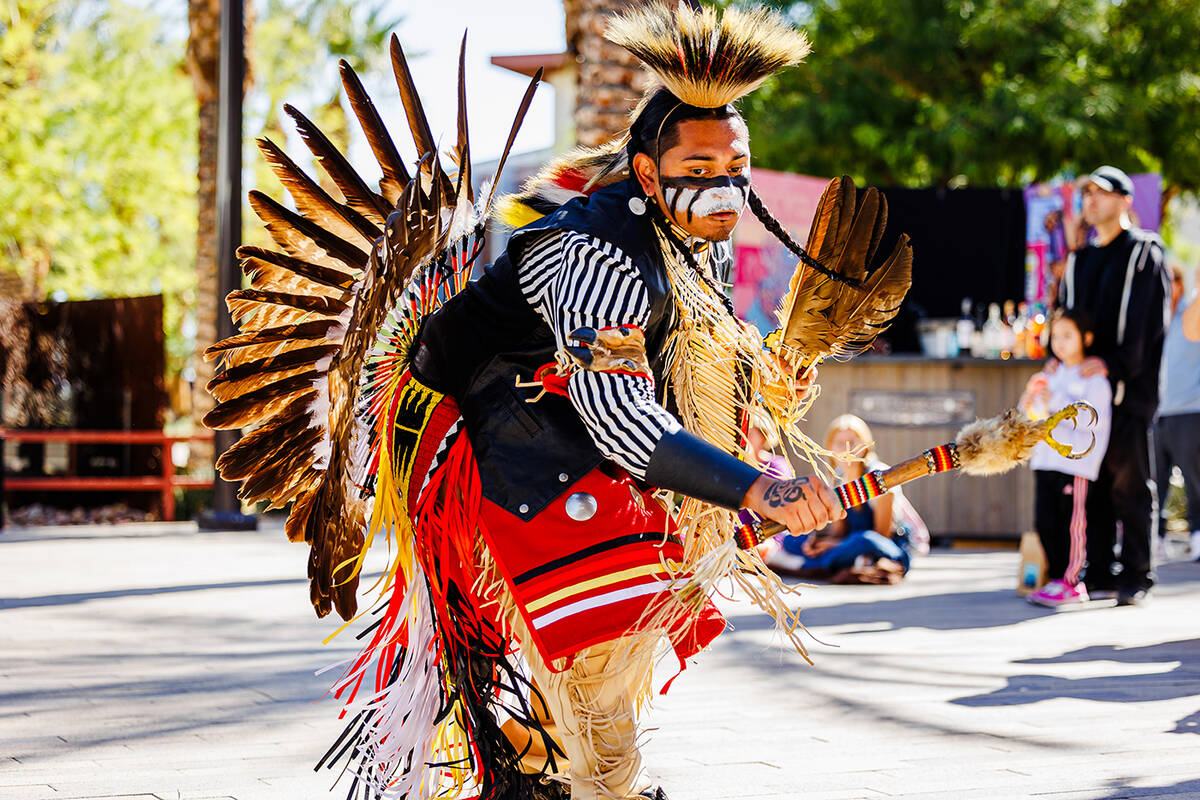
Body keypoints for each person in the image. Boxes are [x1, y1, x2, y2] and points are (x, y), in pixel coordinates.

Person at [202, 6, 885, 800]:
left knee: (639, 593)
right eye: (698, 166)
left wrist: (765, 384)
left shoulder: (694, 242)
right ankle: (593, 774)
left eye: (736, 162)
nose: (723, 183)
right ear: (648, 172)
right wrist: (760, 486)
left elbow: (688, 360)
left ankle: (543, 757)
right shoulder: (598, 249)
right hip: (482, 434)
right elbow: (621, 416)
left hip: (557, 421)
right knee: (606, 619)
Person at [1056, 165, 1171, 606]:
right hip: (1085, 395)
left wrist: (1115, 365)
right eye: (1087, 193)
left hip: (1128, 389)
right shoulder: (1081, 259)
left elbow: (1146, 323)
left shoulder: (1144, 253)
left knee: (1130, 482)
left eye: (1102, 193)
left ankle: (1137, 575)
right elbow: (1067, 319)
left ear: (1125, 200)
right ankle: (1099, 570)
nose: (1091, 201)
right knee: (1093, 480)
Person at [1022, 309, 1113, 606]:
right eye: (1055, 336)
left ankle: (1073, 582)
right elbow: (1033, 416)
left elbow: (1092, 418)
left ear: (1086, 338)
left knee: (1072, 525)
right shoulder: (1050, 374)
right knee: (1045, 521)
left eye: (1067, 336)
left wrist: (1056, 403)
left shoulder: (1095, 379)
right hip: (1045, 460)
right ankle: (1058, 578)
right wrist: (1031, 400)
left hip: (1075, 465)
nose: (1059, 343)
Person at [764, 415, 918, 584]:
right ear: (829, 448)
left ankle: (808, 565)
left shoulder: (878, 476)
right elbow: (839, 532)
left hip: (884, 546)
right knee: (792, 541)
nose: (847, 448)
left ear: (866, 445)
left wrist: (834, 546)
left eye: (853, 441)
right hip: (850, 542)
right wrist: (822, 543)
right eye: (839, 443)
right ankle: (845, 561)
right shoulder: (837, 478)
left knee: (863, 540)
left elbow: (881, 535)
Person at [1154, 265, 1200, 561]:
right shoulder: (1156, 316)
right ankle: (1154, 538)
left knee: (1196, 480)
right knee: (1153, 483)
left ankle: (1198, 535)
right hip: (1156, 414)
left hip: (1189, 410)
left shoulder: (1191, 311)